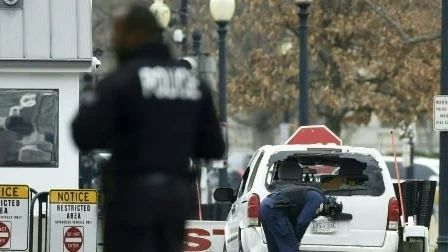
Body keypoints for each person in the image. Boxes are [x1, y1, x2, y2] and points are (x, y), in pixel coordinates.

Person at [71, 4, 225, 252]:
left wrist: (90, 90)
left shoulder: (123, 80)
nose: (114, 41)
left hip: (130, 199)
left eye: (118, 34)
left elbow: (84, 134)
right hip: (174, 200)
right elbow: (214, 147)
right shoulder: (194, 84)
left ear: (134, 35)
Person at [259, 159, 326, 252]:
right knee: (291, 248)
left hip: (265, 206)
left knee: (276, 249)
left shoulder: (306, 193)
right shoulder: (317, 198)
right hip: (274, 209)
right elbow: (302, 221)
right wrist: (296, 239)